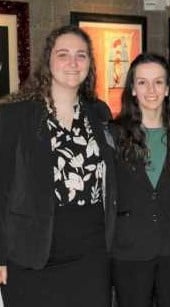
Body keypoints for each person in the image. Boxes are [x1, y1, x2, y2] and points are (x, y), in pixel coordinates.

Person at [0, 25, 116, 307]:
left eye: (81, 55)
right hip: (32, 251)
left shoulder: (98, 113)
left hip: (91, 250)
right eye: (63, 54)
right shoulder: (15, 116)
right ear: (48, 60)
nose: (73, 63)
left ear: (90, 63)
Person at [110, 53, 170, 307]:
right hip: (130, 247)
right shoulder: (112, 135)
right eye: (142, 82)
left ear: (168, 89)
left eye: (158, 82)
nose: (151, 90)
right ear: (132, 89)